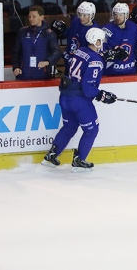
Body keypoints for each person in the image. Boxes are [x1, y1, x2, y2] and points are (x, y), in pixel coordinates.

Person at [41, 27, 117, 171]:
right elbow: (88, 89)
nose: (103, 43)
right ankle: (80, 160)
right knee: (92, 130)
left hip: (65, 97)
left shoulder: (80, 50)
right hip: (79, 101)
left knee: (69, 127)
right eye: (101, 41)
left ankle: (51, 156)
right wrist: (102, 95)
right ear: (96, 41)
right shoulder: (96, 61)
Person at [12, 5, 61, 80]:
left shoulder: (49, 34)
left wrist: (47, 62)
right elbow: (16, 52)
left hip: (43, 76)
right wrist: (16, 67)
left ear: (41, 17)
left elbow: (57, 52)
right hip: (24, 75)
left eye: (34, 16)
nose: (31, 19)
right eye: (29, 17)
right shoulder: (22, 32)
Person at [52, 1, 99, 70]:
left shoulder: (94, 31)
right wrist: (62, 31)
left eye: (85, 15)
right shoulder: (75, 20)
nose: (81, 17)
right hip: (69, 59)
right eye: (80, 14)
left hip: (80, 65)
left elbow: (90, 52)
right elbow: (71, 35)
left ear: (91, 15)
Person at [101, 3, 137, 75]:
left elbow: (136, 44)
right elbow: (101, 50)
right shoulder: (106, 29)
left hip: (130, 72)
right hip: (111, 73)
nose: (117, 17)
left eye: (120, 15)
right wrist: (113, 52)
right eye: (116, 14)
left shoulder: (133, 27)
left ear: (126, 15)